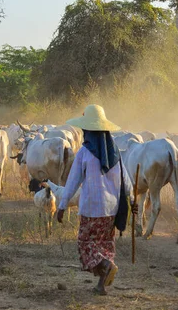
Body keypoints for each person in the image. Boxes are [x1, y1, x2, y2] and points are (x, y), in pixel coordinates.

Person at [56, 104, 133, 295]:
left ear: (88, 130)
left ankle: (106, 264)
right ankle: (101, 284)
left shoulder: (84, 152)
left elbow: (73, 181)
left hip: (91, 208)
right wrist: (133, 199)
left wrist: (62, 205)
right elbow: (126, 180)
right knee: (105, 244)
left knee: (86, 243)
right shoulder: (115, 152)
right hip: (111, 210)